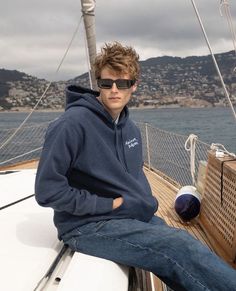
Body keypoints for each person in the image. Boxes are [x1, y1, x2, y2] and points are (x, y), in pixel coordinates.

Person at [35, 42, 236, 291]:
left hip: (129, 215)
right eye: (107, 83)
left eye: (123, 83)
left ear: (134, 85)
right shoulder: (71, 125)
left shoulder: (130, 128)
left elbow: (132, 176)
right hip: (86, 225)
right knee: (176, 246)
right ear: (99, 83)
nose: (114, 90)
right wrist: (109, 204)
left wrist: (138, 203)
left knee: (183, 245)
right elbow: (48, 191)